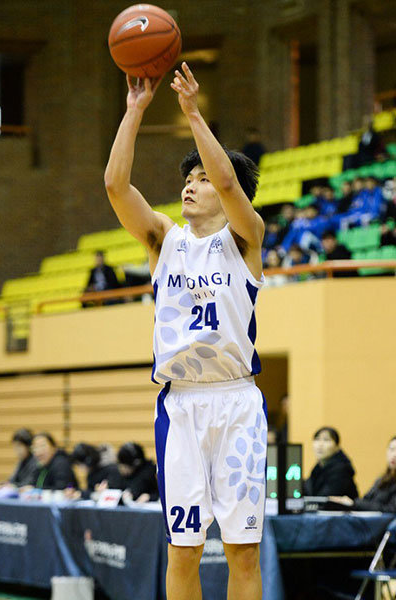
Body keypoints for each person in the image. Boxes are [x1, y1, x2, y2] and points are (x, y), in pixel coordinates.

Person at [105, 63, 267, 600]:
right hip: (180, 406)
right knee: (184, 548)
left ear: (232, 195)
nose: (190, 186)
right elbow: (115, 185)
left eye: (201, 179)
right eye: (187, 179)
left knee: (243, 551)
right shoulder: (163, 241)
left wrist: (193, 112)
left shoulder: (246, 238)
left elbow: (226, 177)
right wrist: (134, 111)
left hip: (237, 402)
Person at [330, 436, 396, 512]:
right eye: (392, 449)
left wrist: (355, 503)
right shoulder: (382, 479)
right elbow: (365, 500)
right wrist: (351, 503)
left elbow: (391, 510)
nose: (394, 454)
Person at [303, 427, 358, 498]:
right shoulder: (318, 468)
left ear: (337, 446)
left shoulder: (341, 470)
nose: (320, 445)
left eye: (326, 440)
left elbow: (325, 498)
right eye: (317, 439)